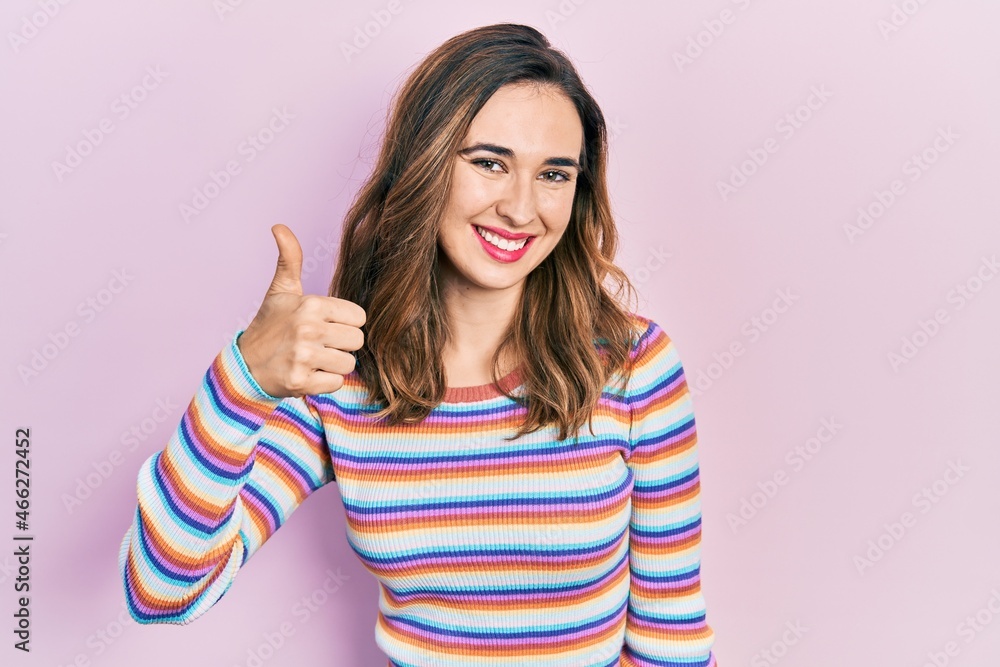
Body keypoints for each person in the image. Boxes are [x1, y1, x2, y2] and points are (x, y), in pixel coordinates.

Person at [118, 22, 720, 667]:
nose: (522, 209)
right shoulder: (342, 382)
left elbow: (671, 640)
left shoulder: (633, 368)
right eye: (489, 163)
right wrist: (242, 380)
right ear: (427, 165)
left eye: (553, 174)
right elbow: (164, 591)